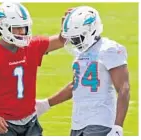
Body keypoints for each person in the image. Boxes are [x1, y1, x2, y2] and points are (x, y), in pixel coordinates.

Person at [0, 2, 66, 136]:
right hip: (4, 124)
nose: (22, 32)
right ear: (3, 26)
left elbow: (61, 41)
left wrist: (66, 28)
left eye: (24, 27)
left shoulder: (32, 46)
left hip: (31, 121)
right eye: (17, 28)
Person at [36, 6, 130, 136]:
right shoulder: (82, 52)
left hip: (100, 123)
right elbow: (76, 85)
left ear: (91, 31)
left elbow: (123, 88)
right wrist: (46, 104)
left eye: (77, 37)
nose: (74, 42)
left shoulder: (109, 49)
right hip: (78, 123)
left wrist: (118, 127)